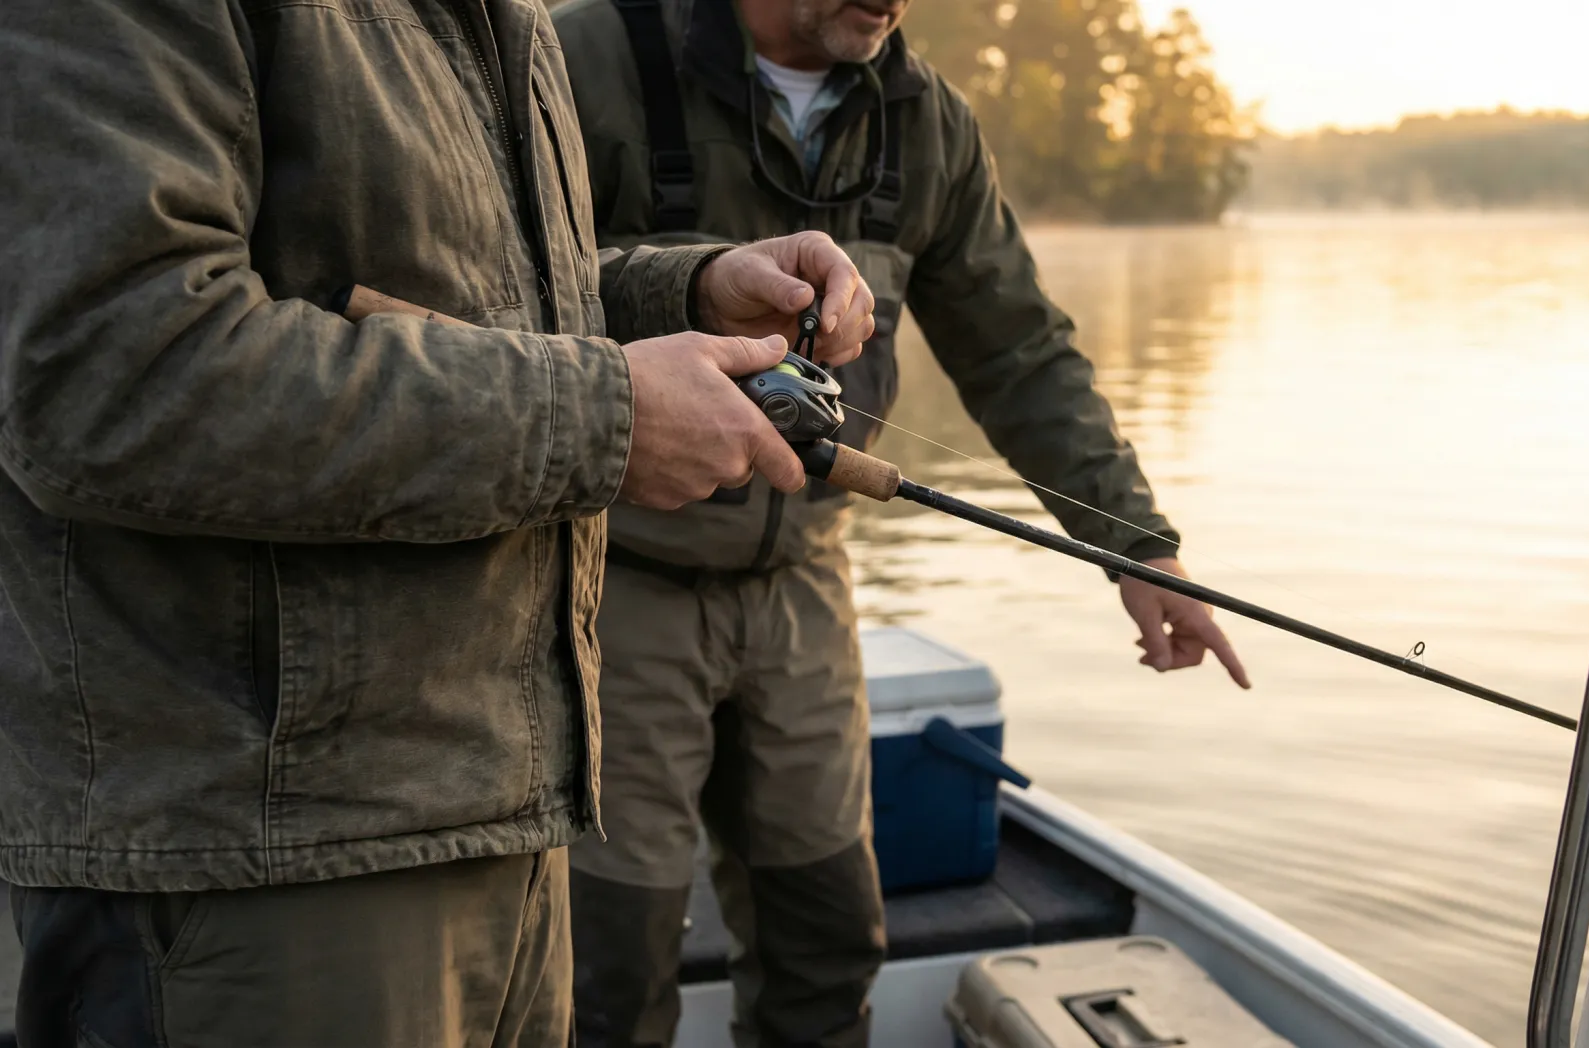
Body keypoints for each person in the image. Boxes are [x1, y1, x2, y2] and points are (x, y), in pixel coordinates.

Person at [0, 2, 876, 1045]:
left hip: (503, 826)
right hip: (258, 871)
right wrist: (608, 414)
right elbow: (111, 376)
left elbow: (467, 308)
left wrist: (681, 298)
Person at [549, 1, 1253, 1044]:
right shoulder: (579, 56)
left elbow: (1019, 352)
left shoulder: (929, 122)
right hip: (607, 583)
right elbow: (485, 300)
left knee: (829, 944)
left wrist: (1138, 546)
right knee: (606, 976)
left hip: (804, 587)